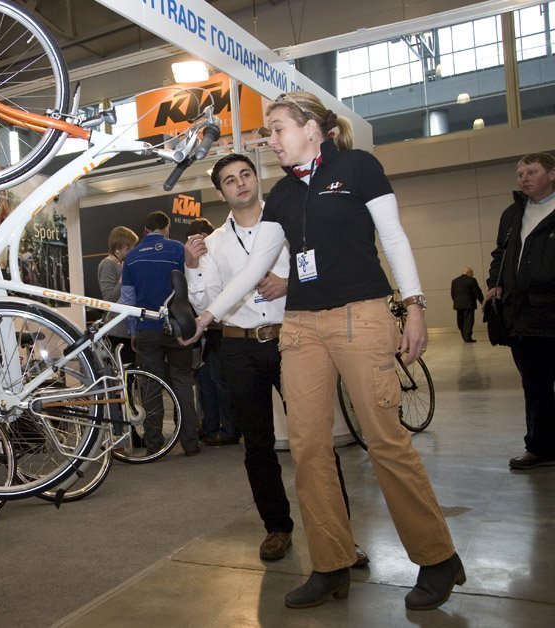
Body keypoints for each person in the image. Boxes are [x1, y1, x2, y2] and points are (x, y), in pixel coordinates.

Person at [184, 93, 463, 610]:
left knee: (384, 440)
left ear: (311, 127)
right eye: (268, 132)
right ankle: (331, 563)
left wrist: (415, 305)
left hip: (361, 314)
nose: (270, 140)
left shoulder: (358, 168)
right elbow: (255, 266)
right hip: (301, 327)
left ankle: (437, 557)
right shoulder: (283, 196)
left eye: (277, 129)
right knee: (309, 448)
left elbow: (393, 237)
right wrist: (208, 315)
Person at [185, 154, 368, 565]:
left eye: (245, 174)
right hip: (239, 347)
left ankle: (340, 534)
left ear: (257, 178)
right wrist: (192, 267)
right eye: (230, 180)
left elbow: (323, 268)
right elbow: (206, 302)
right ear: (221, 192)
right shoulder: (214, 243)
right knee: (257, 446)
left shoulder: (292, 221)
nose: (240, 183)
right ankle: (277, 528)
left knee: (315, 442)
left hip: (295, 339)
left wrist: (289, 284)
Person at [486, 152, 555, 470]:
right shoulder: (513, 214)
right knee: (535, 384)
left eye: (532, 171)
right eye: (520, 174)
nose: (524, 178)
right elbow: (501, 254)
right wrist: (495, 284)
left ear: (551, 174)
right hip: (523, 314)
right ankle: (541, 447)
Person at [121, 211, 200, 456]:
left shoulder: (131, 257)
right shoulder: (178, 249)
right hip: (178, 326)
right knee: (182, 381)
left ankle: (154, 445)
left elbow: (128, 300)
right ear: (166, 228)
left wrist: (133, 330)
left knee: (150, 385)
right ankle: (190, 443)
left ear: (145, 230)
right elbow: (192, 285)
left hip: (146, 328)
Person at [185, 218, 239, 447]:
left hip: (222, 329)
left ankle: (229, 429)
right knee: (208, 381)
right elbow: (198, 301)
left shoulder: (222, 256)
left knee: (221, 381)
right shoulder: (192, 262)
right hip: (207, 332)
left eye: (203, 239)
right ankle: (212, 427)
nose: (200, 244)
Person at [97, 226, 139, 365]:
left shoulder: (120, 264)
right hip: (116, 330)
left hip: (126, 328)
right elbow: (109, 299)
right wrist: (124, 279)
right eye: (131, 247)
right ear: (123, 247)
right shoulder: (107, 265)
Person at [450, 267, 483, 342]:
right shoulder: (471, 280)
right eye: (472, 273)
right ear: (468, 272)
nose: (473, 274)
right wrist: (482, 302)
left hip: (458, 304)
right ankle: (467, 337)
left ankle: (464, 336)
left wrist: (456, 301)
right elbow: (477, 292)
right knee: (469, 321)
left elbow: (452, 293)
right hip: (469, 303)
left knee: (460, 321)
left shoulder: (455, 281)